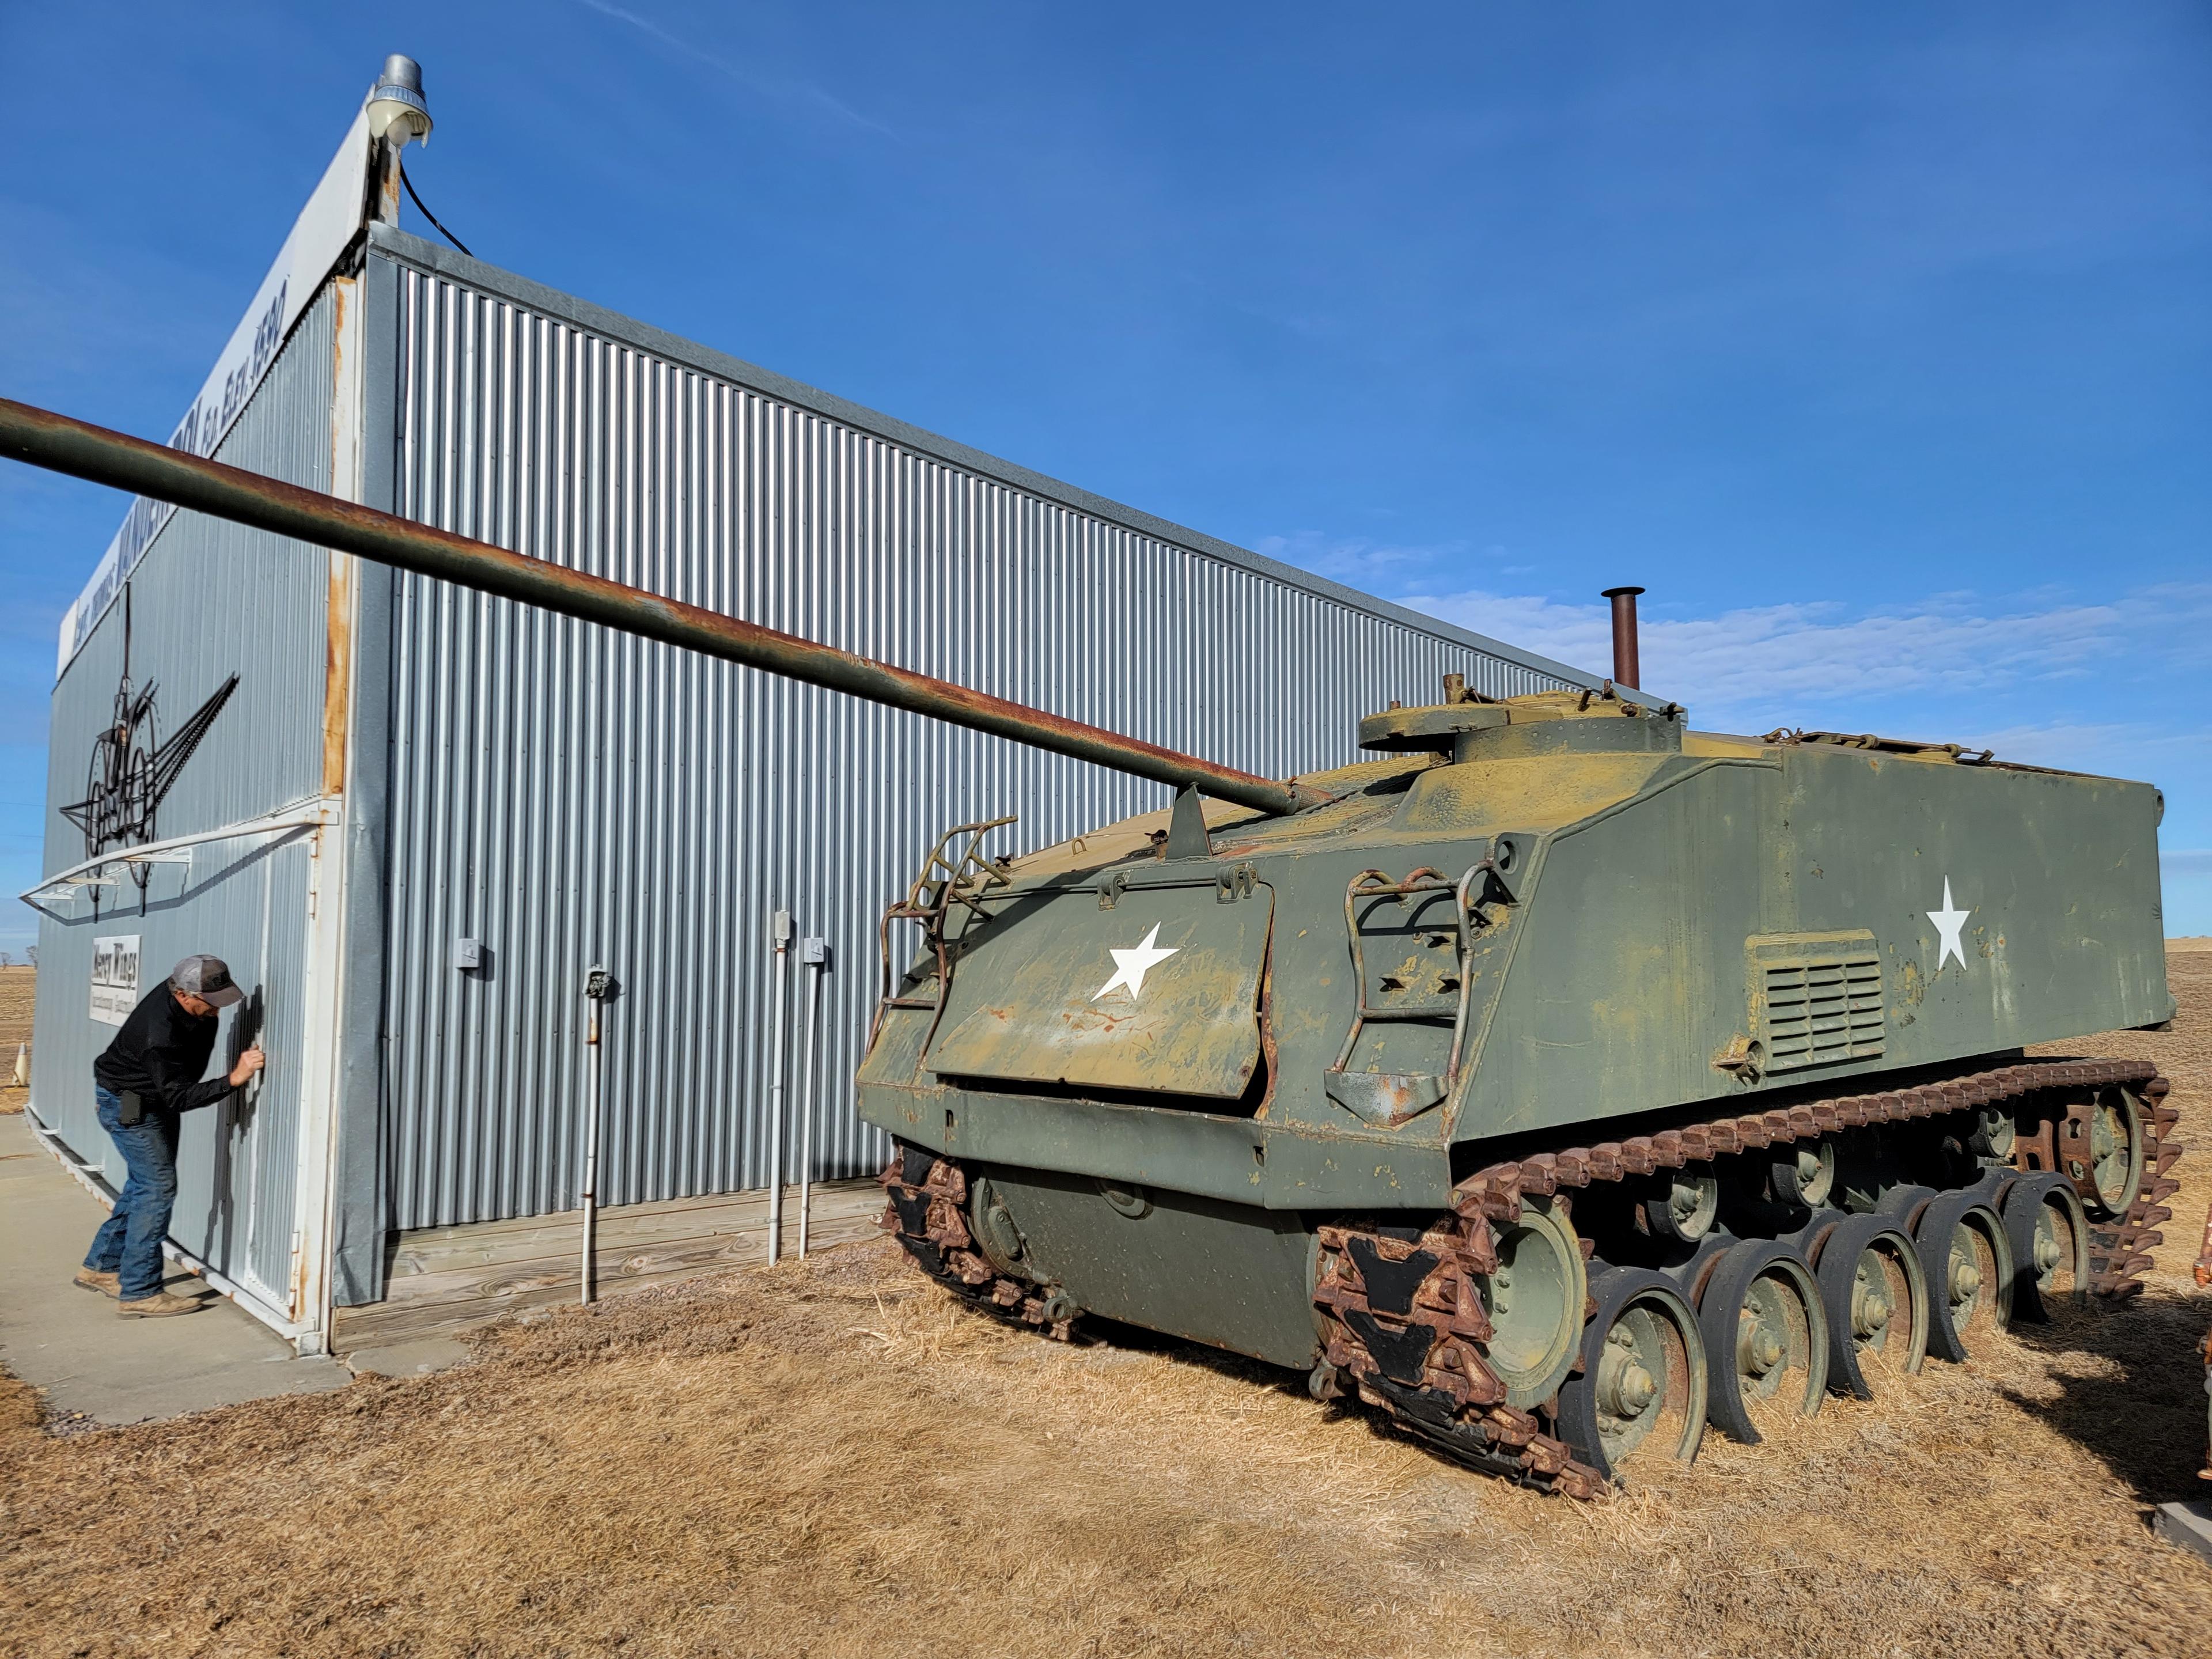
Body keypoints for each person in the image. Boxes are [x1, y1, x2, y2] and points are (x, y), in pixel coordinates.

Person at [74, 955, 266, 1317]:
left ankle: (100, 1268)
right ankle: (140, 1292)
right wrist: (234, 1079)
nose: (217, 1011)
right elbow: (178, 1097)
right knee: (157, 1188)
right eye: (211, 1004)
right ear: (182, 994)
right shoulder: (158, 1034)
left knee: (144, 1185)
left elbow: (173, 1090)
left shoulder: (192, 1001)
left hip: (154, 1098)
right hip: (132, 1106)